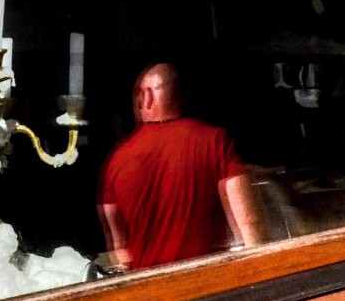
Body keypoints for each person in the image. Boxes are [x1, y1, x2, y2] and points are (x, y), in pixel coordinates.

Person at [96, 63, 264, 273]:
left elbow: (118, 251)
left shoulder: (115, 160)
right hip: (210, 284)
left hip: (146, 291)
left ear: (146, 96)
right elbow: (248, 223)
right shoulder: (215, 141)